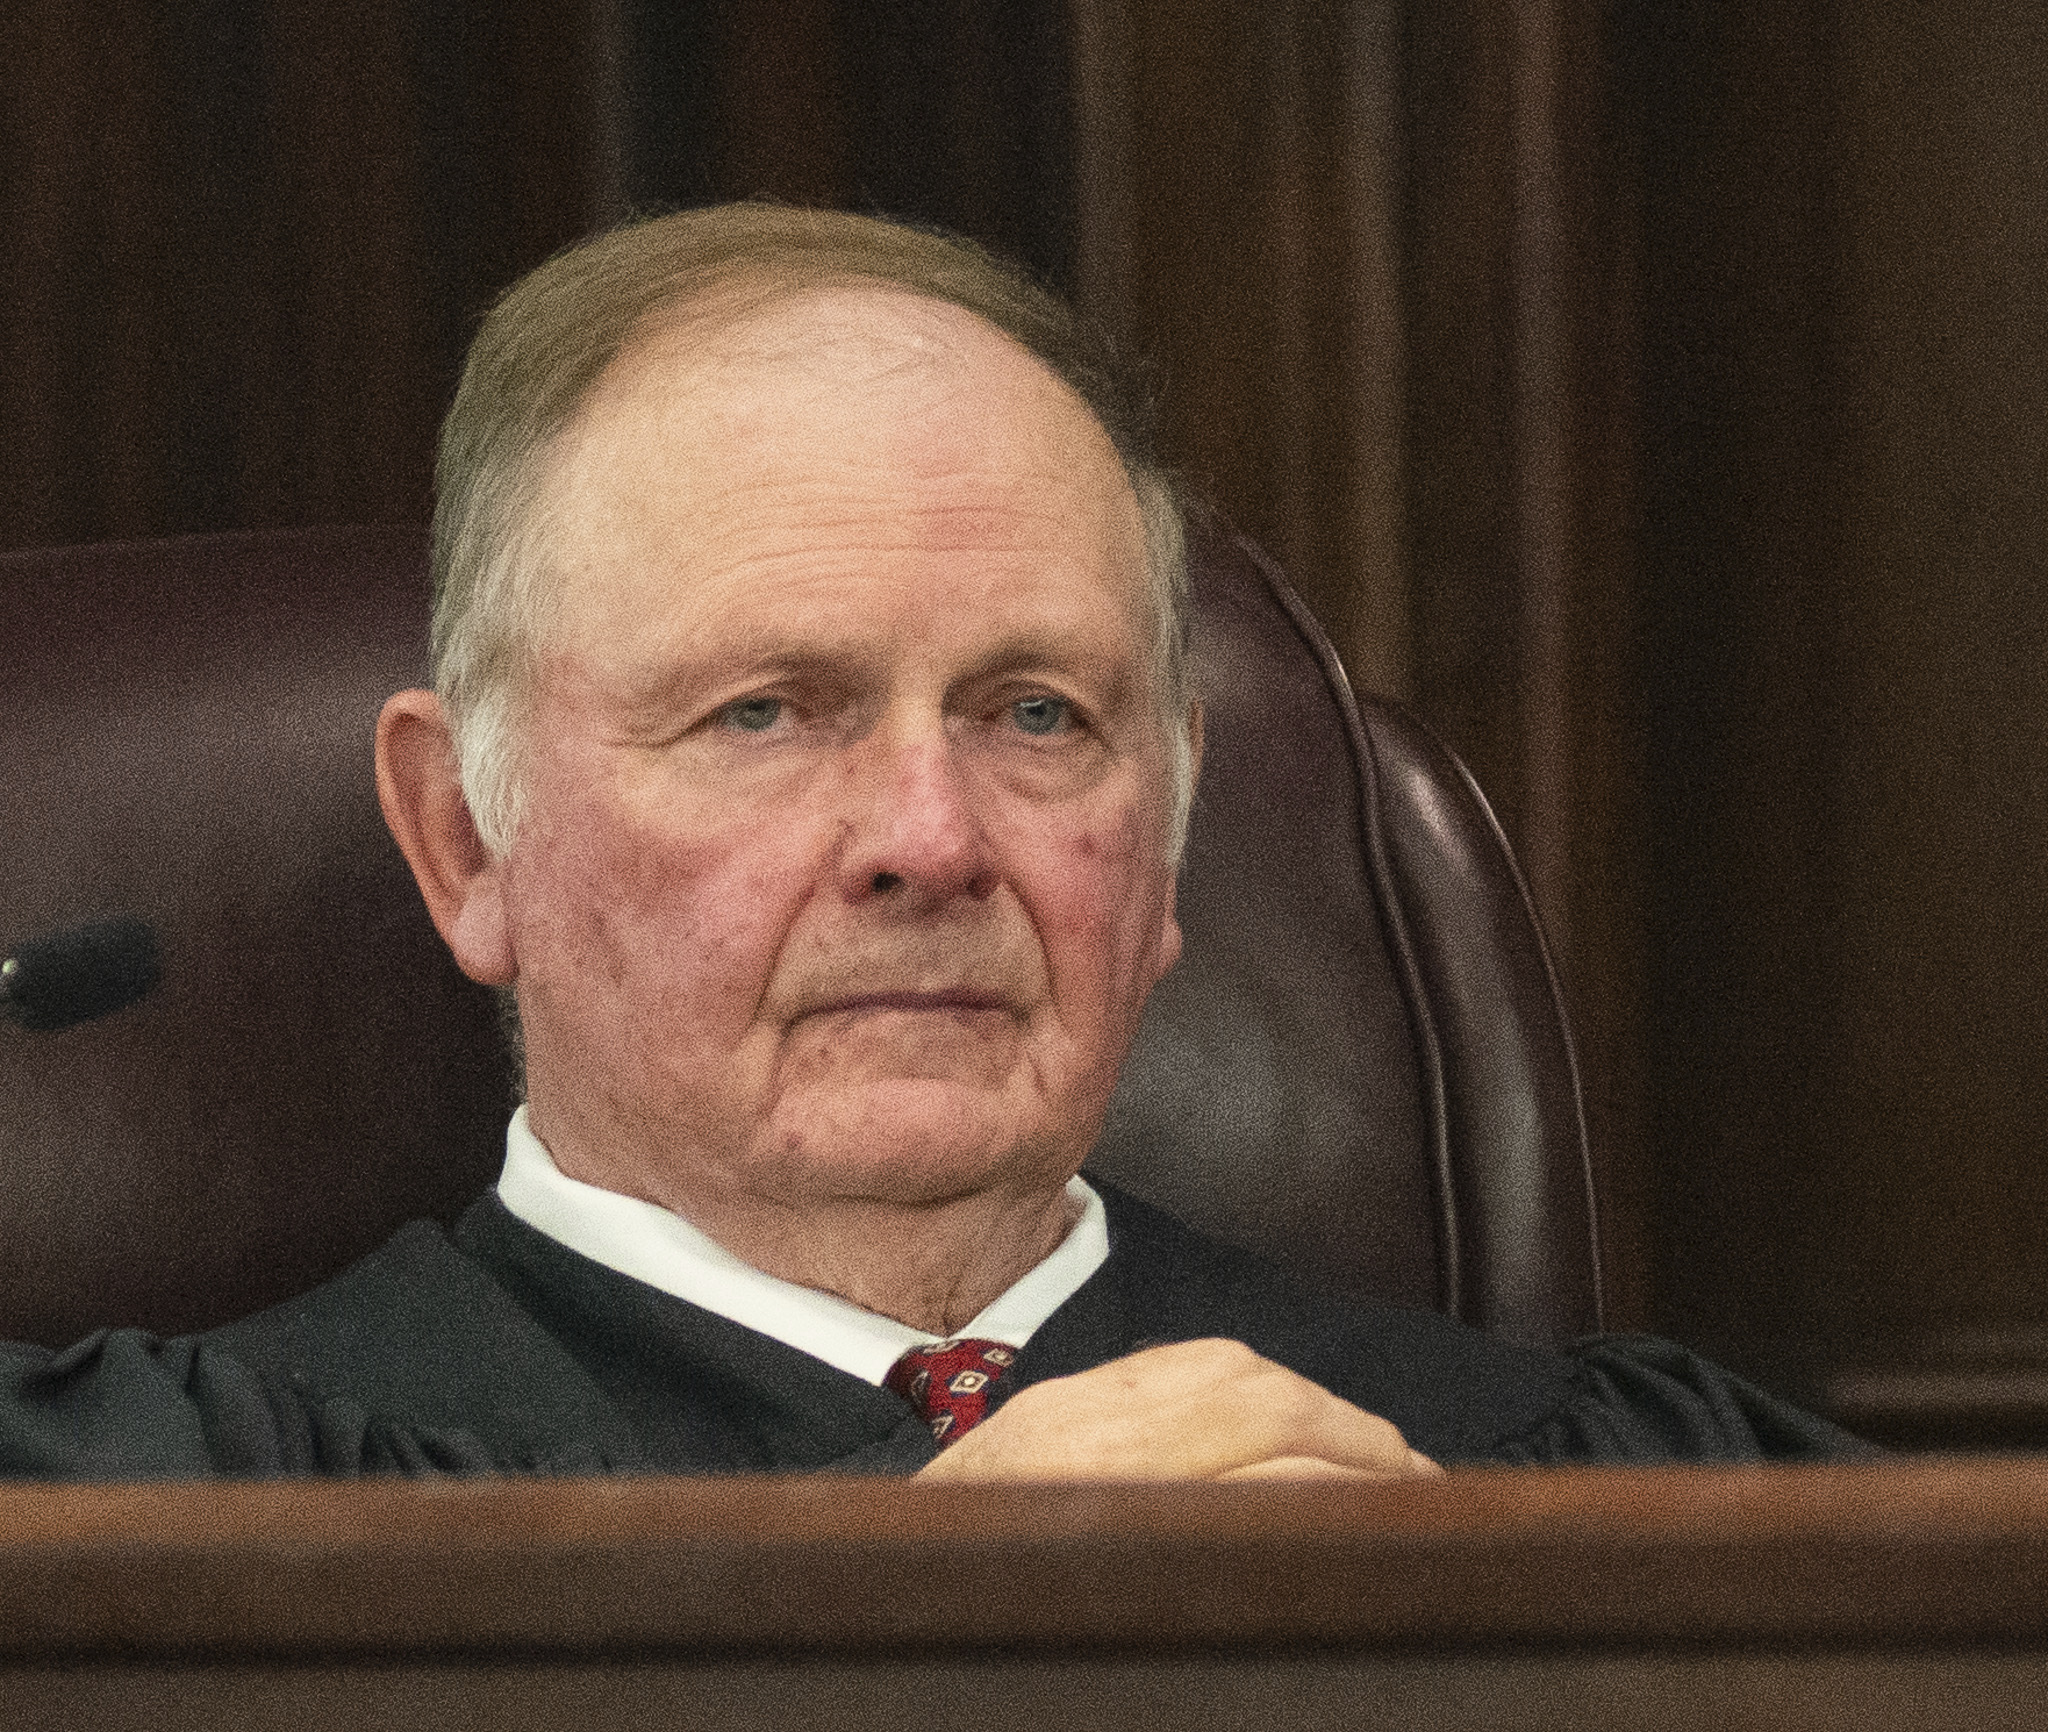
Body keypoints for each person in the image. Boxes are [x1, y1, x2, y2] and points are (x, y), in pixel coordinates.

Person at [0, 206, 1862, 1479]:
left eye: (1039, 715)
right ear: (464, 838)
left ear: (1171, 840)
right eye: (764, 711)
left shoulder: (1581, 1488)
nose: (928, 837)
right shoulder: (169, 1526)